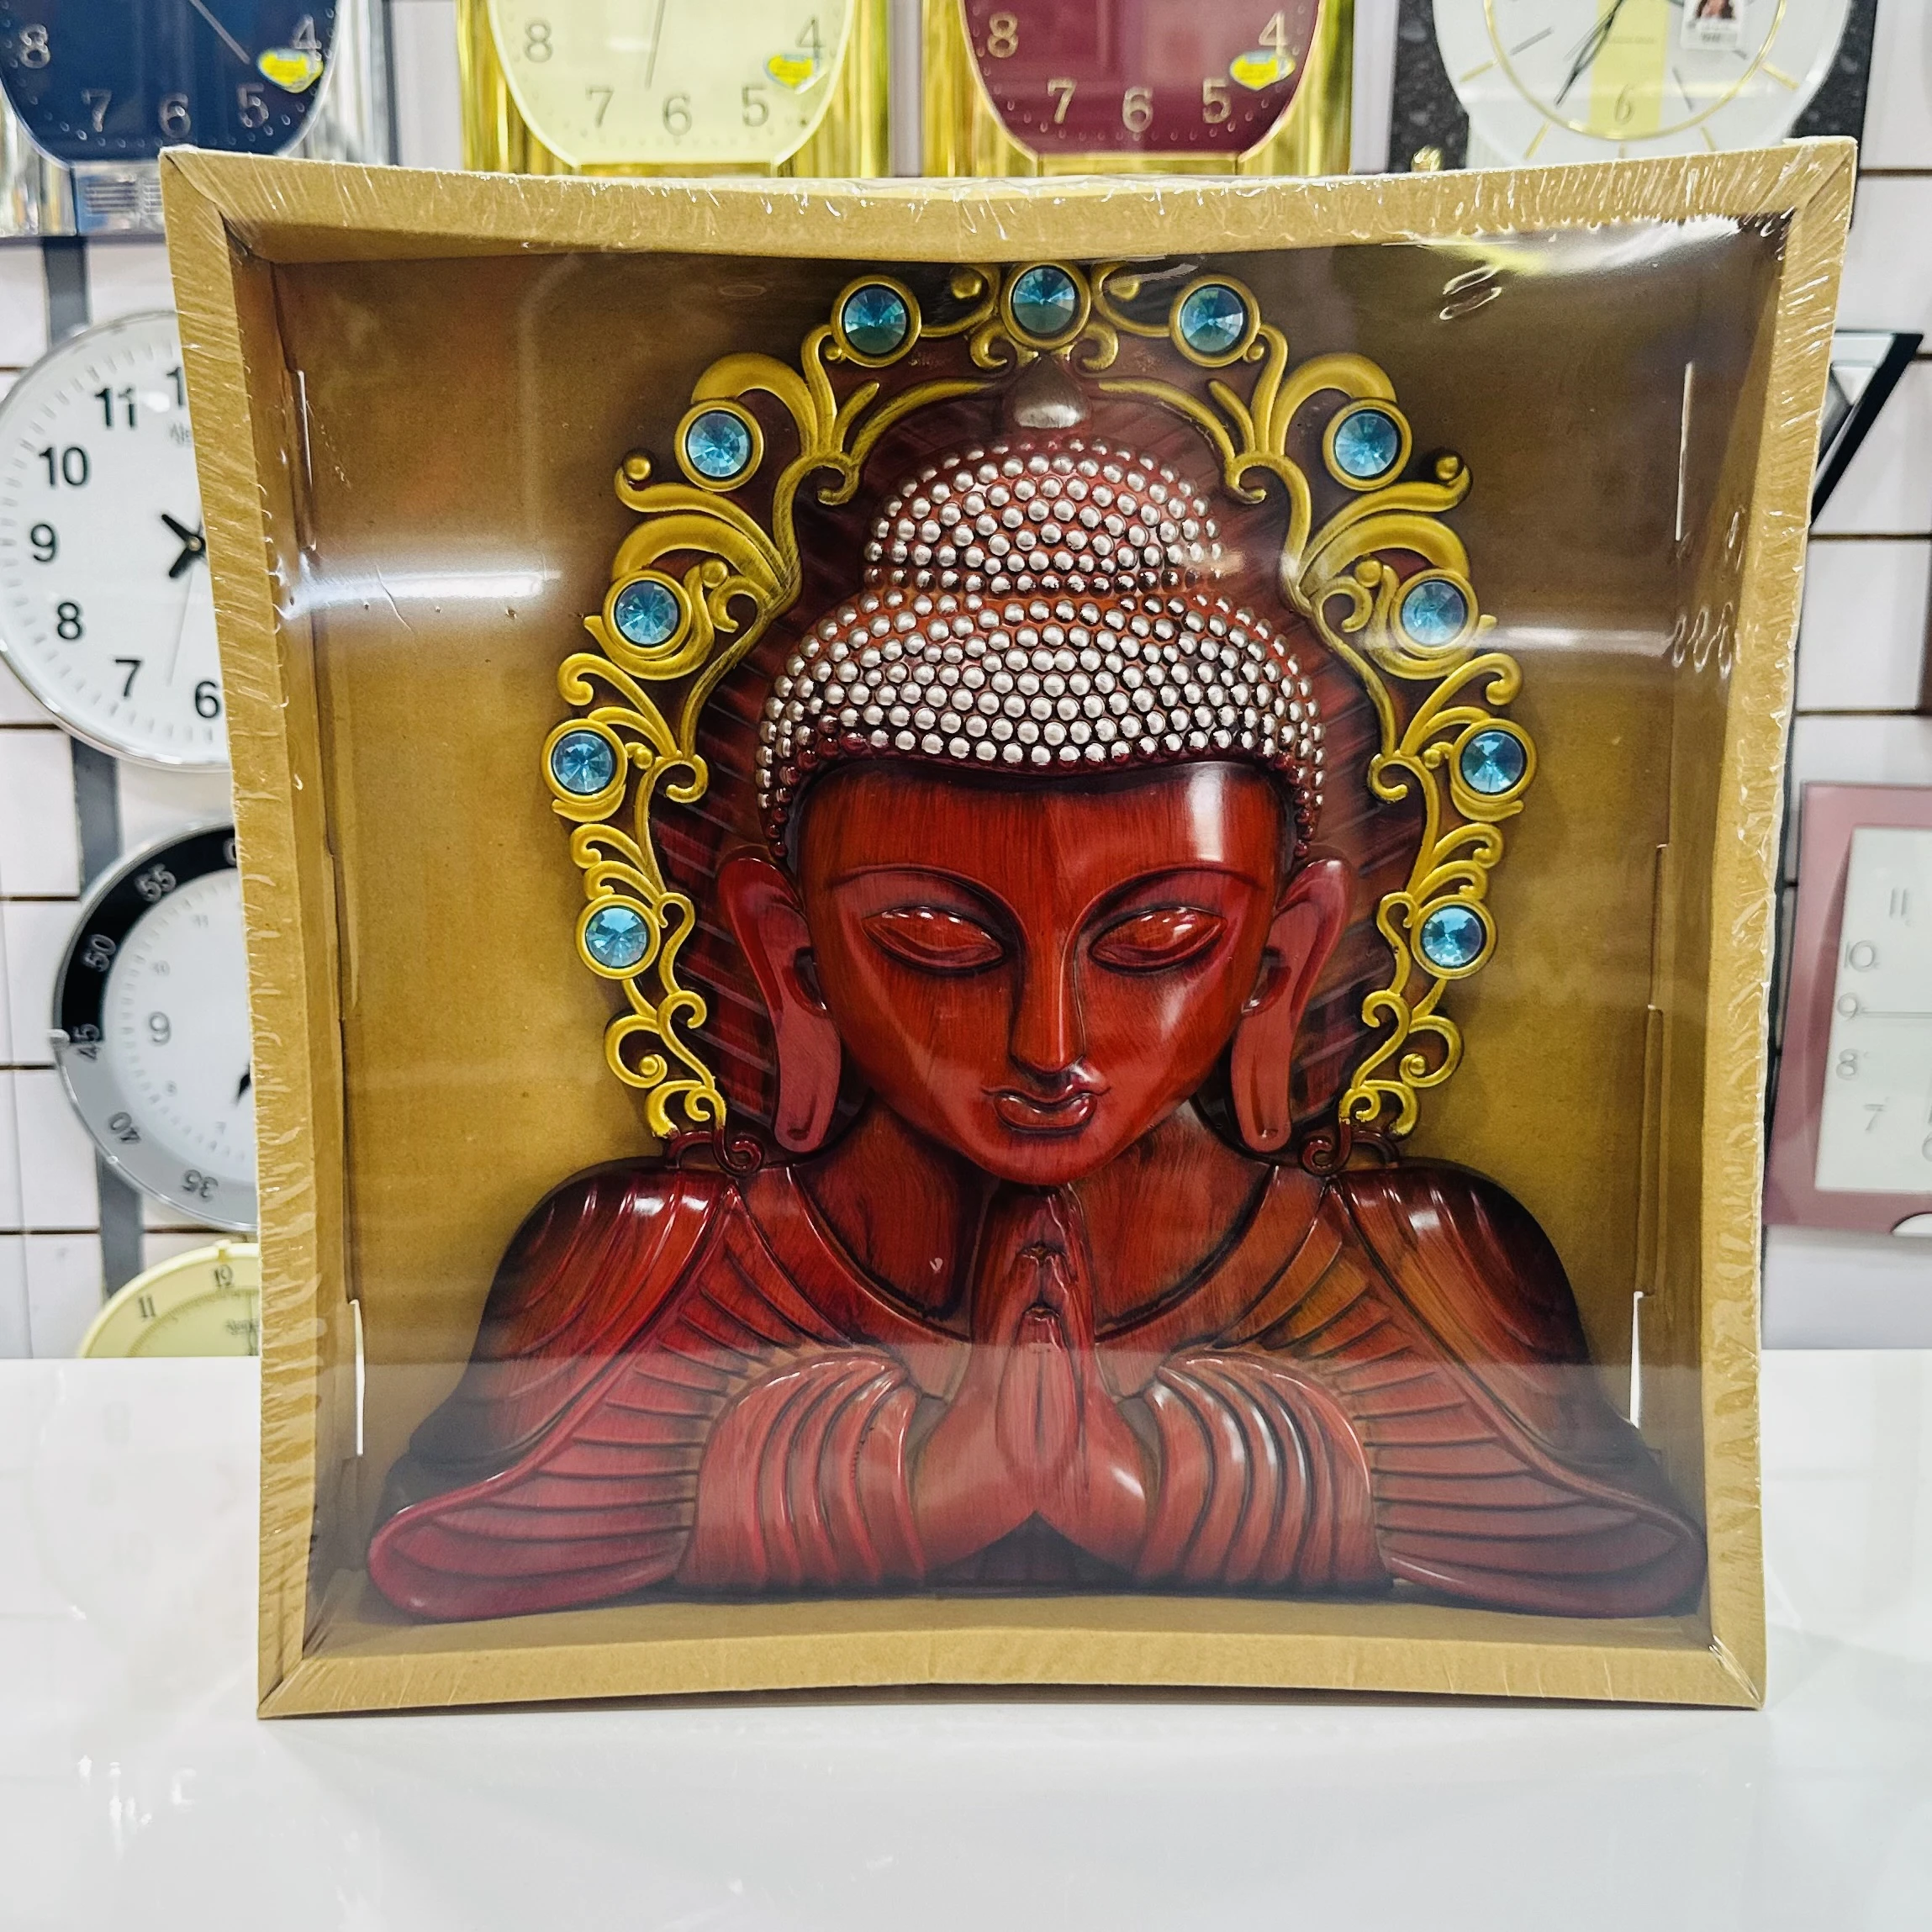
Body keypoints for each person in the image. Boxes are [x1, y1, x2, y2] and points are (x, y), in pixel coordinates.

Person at [368, 427, 1704, 1623]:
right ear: (789, 953)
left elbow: (1618, 1549)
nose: (1048, 1041)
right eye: (935, 942)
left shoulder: (1420, 1258)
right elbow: (447, 1546)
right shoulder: (643, 1259)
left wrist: (1150, 1489)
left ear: (1282, 957)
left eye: (1158, 942)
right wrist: (910, 1491)